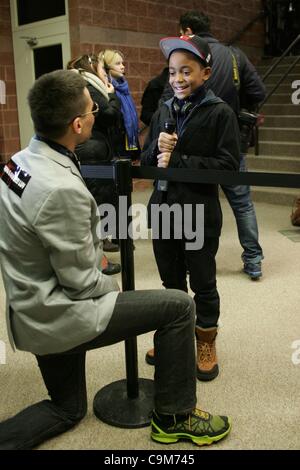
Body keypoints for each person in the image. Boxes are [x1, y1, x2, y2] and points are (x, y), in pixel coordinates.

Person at [0, 70, 231, 449]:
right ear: (77, 124)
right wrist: (113, 285)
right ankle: (175, 417)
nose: (97, 114)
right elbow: (81, 282)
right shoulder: (60, 190)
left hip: (29, 307)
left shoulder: (19, 161)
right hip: (58, 312)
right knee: (177, 305)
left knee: (67, 409)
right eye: (92, 110)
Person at [141, 36, 240, 381]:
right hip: (164, 208)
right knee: (170, 282)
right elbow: (144, 161)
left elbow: (228, 166)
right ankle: (175, 336)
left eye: (186, 71)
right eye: (172, 72)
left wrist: (179, 157)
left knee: (202, 280)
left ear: (206, 72)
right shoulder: (163, 109)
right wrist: (156, 147)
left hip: (199, 211)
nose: (178, 79)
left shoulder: (220, 112)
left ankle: (206, 340)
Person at [160, 10, 266, 280]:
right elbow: (258, 91)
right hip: (227, 142)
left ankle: (190, 258)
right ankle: (253, 259)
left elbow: (166, 100)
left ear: (186, 30)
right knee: (242, 203)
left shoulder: (185, 56)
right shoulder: (234, 55)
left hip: (188, 145)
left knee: (190, 204)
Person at [67, 53, 121, 260]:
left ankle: (99, 259)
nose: (104, 73)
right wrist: (113, 96)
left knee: (95, 206)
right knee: (97, 206)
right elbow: (108, 115)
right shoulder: (88, 86)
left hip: (91, 150)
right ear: (91, 68)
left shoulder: (80, 85)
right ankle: (98, 262)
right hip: (92, 152)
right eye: (102, 68)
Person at [99, 49, 141, 161]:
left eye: (122, 63)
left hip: (126, 146)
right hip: (114, 149)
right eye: (117, 64)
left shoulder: (123, 88)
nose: (123, 67)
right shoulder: (105, 90)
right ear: (106, 67)